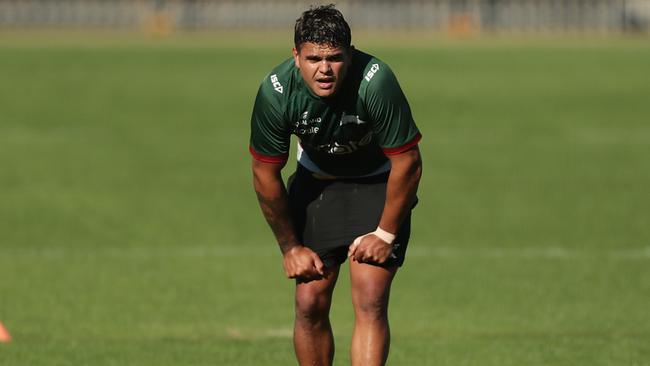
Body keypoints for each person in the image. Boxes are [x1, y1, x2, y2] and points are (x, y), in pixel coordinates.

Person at [249, 4, 422, 366]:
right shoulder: (276, 92)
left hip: (378, 182)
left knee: (371, 296)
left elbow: (407, 162)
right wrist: (289, 247)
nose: (324, 69)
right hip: (319, 186)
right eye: (313, 58)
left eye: (335, 58)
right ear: (296, 56)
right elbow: (265, 174)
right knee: (309, 302)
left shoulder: (376, 80)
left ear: (351, 53)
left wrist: (385, 235)